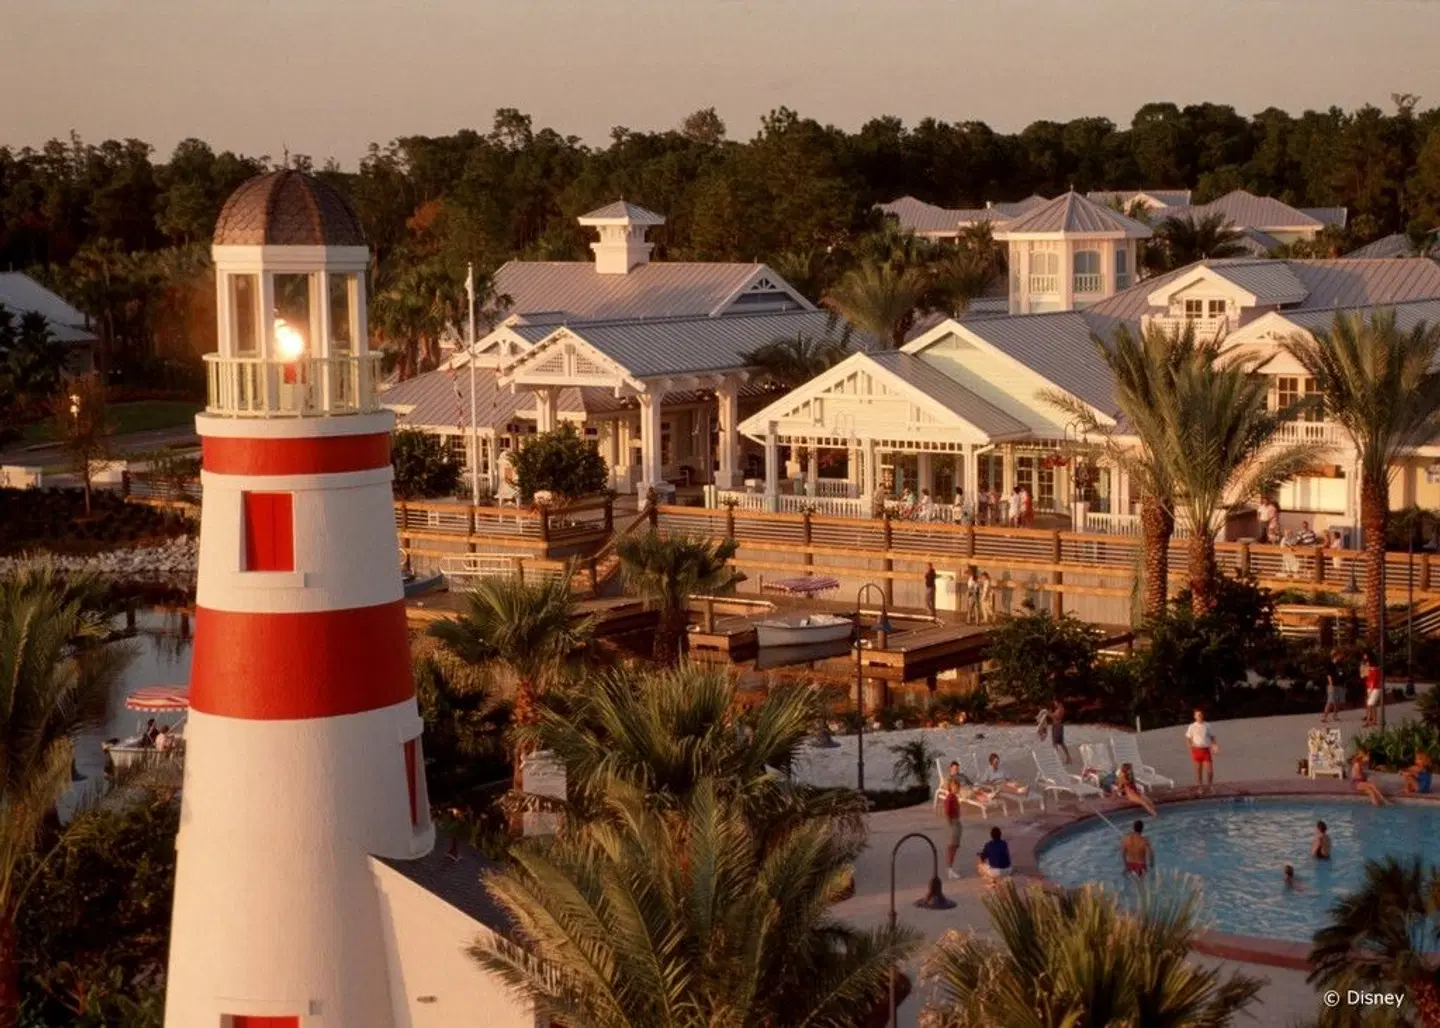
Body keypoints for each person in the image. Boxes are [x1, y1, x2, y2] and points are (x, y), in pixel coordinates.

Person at [1185, 708, 1217, 790]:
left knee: (1210, 770)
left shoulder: (1207, 725)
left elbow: (1212, 736)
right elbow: (1188, 737)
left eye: (1201, 715)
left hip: (1206, 750)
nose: (1200, 716)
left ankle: (1210, 785)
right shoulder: (1192, 726)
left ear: (1203, 715)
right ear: (1195, 716)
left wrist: (1215, 745)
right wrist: (1190, 745)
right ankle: (1200, 787)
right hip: (1196, 750)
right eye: (1198, 715)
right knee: (1198, 770)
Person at [943, 779, 963, 879]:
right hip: (953, 824)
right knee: (952, 847)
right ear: (950, 787)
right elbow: (947, 813)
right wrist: (951, 825)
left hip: (956, 823)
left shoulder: (954, 797)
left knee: (954, 847)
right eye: (954, 786)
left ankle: (950, 868)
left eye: (957, 786)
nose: (956, 788)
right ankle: (950, 869)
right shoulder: (950, 797)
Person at [1322, 649, 1346, 723]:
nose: (1341, 656)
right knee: (1330, 701)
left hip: (1340, 684)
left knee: (1337, 702)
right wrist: (1331, 685)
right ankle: (1324, 717)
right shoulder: (1329, 664)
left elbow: (1342, 674)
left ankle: (1335, 716)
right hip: (1332, 684)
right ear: (1336, 655)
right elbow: (1328, 675)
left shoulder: (1340, 664)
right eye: (1340, 655)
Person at [1361, 652, 1383, 727]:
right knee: (1373, 705)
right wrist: (1363, 669)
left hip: (1375, 688)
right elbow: (1363, 675)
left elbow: (1374, 681)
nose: (1366, 664)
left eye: (1367, 663)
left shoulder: (1375, 670)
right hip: (1370, 687)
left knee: (1370, 704)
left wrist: (1370, 690)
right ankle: (1374, 720)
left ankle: (1368, 722)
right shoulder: (1369, 669)